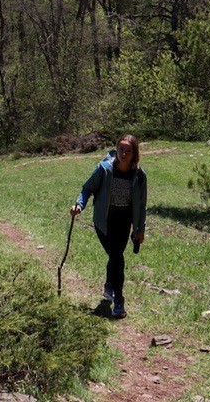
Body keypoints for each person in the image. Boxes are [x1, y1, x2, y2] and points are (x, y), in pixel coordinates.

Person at [70, 135, 147, 318]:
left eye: (128, 151)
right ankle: (115, 293)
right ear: (116, 149)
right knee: (115, 255)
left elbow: (142, 204)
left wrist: (140, 229)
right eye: (121, 149)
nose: (124, 153)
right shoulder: (105, 169)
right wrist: (79, 205)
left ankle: (115, 294)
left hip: (124, 221)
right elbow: (87, 188)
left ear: (134, 153)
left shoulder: (139, 175)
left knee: (116, 256)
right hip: (103, 220)